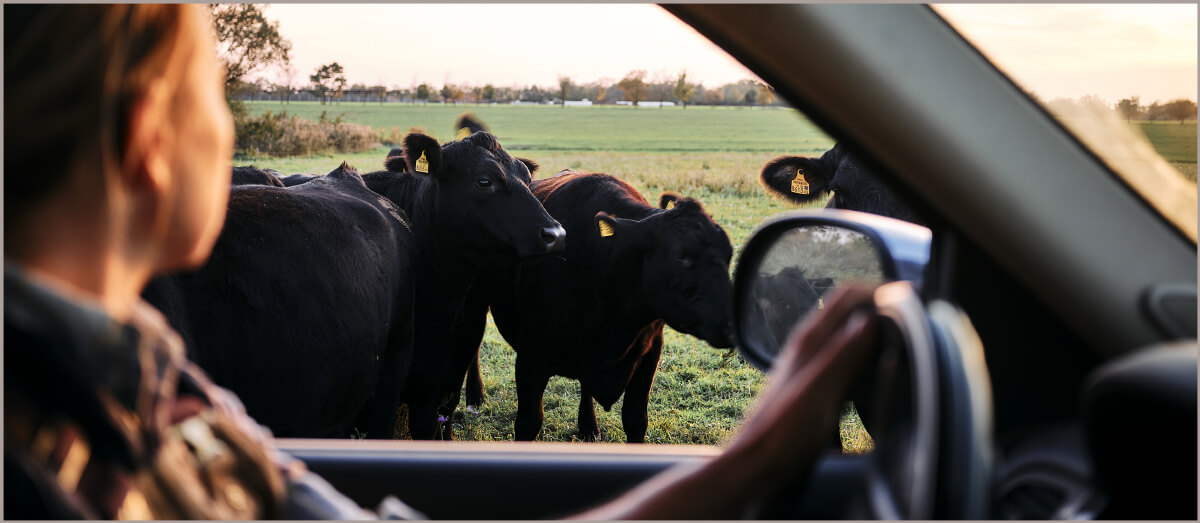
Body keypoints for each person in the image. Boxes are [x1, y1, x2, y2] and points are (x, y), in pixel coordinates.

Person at [3, 5, 880, 519]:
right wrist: (756, 460)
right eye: (215, 93)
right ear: (147, 143)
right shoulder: (57, 456)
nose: (231, 130)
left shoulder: (141, 378)